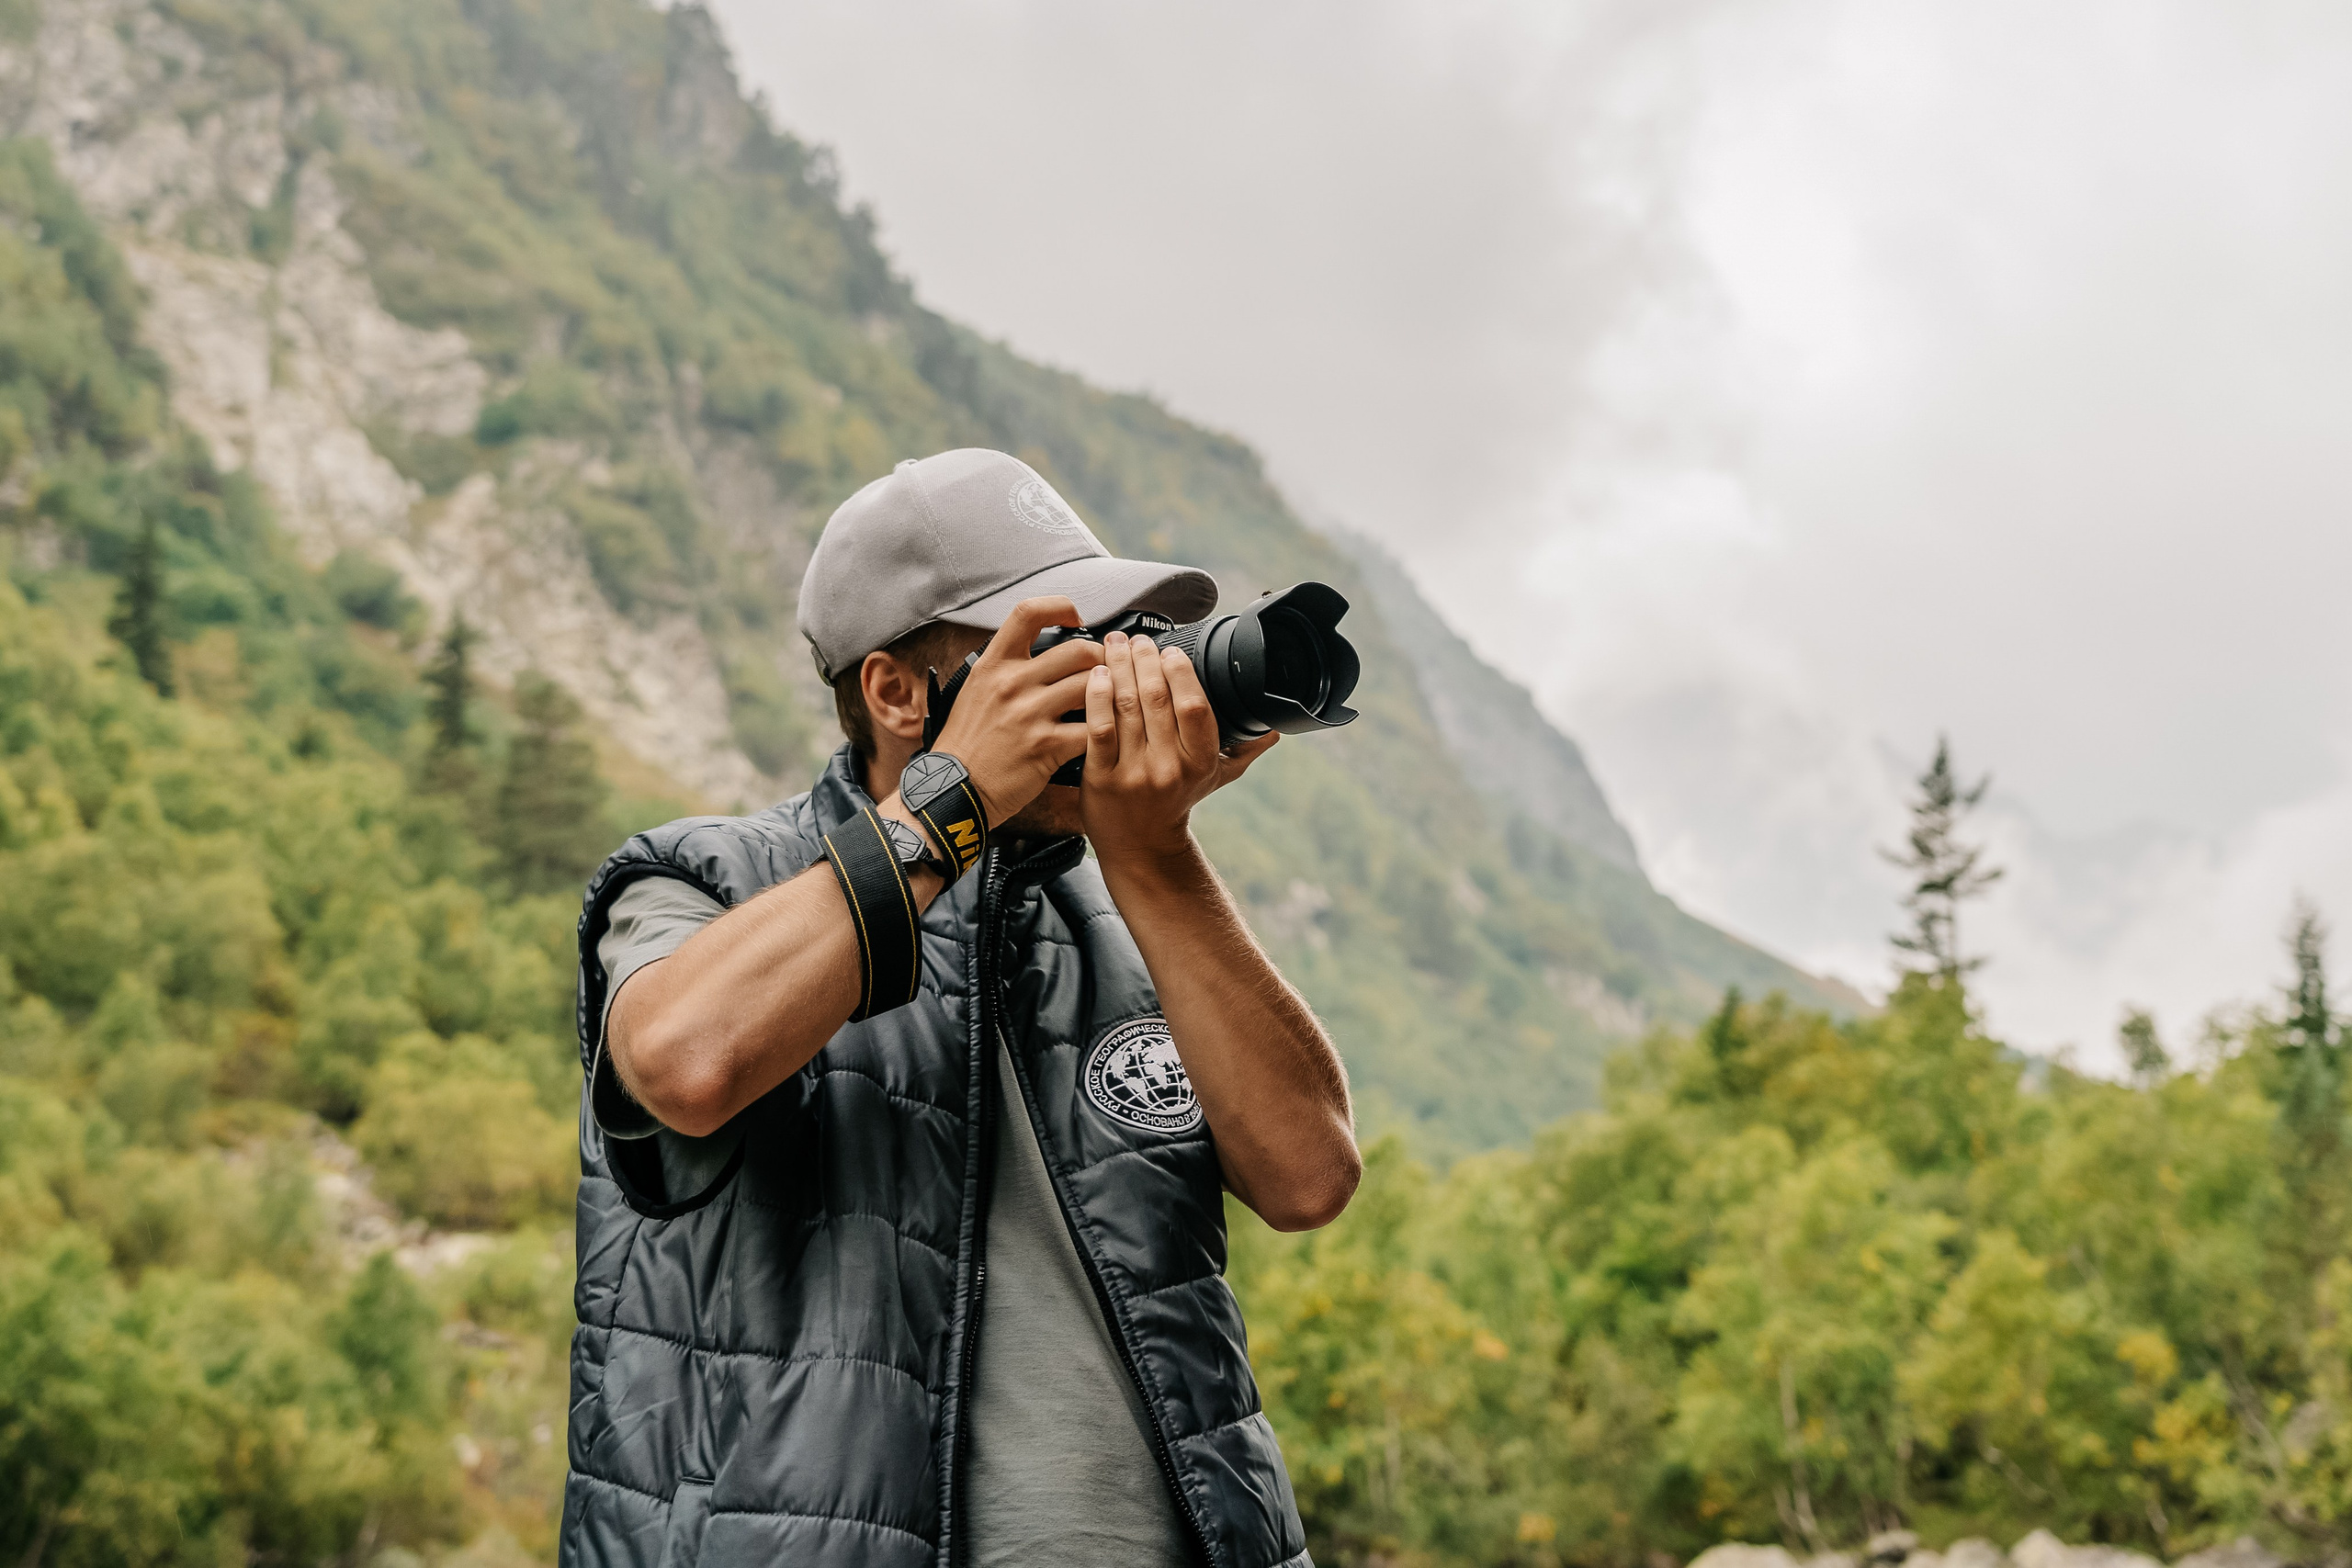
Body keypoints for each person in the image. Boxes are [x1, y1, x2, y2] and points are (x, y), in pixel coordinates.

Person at [560, 448, 1361, 1568]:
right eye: (1057, 651)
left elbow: (1309, 1177)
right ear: (896, 692)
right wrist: (952, 807)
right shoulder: (705, 879)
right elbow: (684, 1061)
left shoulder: (1128, 914)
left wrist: (1160, 856)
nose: (1110, 680)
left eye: (1121, 641)